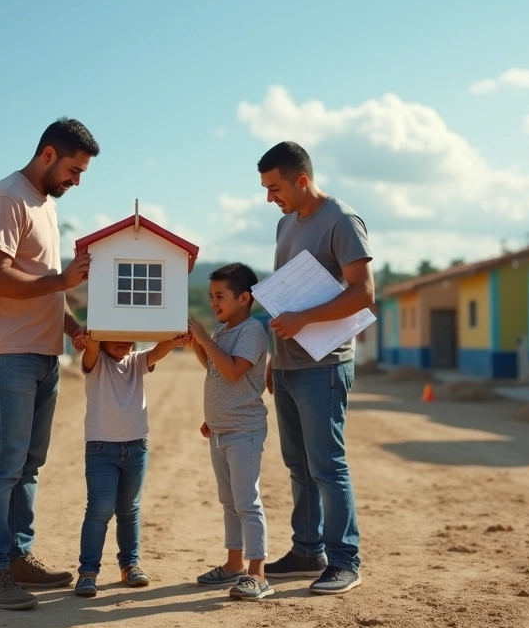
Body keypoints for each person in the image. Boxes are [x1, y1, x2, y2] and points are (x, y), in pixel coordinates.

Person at [0, 117, 99, 611]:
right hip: (7, 353)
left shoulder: (44, 205)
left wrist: (72, 329)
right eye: (73, 169)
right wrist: (62, 283)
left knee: (28, 465)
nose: (76, 180)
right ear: (48, 154)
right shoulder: (7, 198)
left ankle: (16, 557)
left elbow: (45, 285)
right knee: (4, 463)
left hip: (43, 353)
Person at [257, 141, 374, 595]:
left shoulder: (342, 221)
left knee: (327, 465)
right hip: (288, 365)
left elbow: (362, 292)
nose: (270, 198)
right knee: (298, 465)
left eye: (275, 187)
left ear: (301, 180)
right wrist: (272, 358)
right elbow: (284, 298)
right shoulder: (286, 223)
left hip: (325, 366)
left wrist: (304, 320)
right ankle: (308, 550)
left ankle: (345, 560)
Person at [72, 332, 191, 598]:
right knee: (99, 510)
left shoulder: (137, 361)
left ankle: (130, 566)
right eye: (115, 334)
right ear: (102, 337)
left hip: (137, 447)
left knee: (129, 510)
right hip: (101, 449)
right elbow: (91, 346)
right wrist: (89, 336)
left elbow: (162, 348)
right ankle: (88, 573)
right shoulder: (95, 361)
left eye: (130, 335)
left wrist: (177, 336)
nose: (124, 340)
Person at [187, 263, 274, 601]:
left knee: (247, 501)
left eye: (220, 296)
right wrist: (196, 342)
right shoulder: (222, 332)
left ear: (244, 298)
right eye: (211, 297)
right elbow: (213, 365)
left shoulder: (252, 331)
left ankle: (258, 574)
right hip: (222, 431)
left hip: (245, 430)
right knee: (229, 501)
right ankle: (234, 564)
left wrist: (204, 337)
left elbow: (235, 372)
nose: (213, 303)